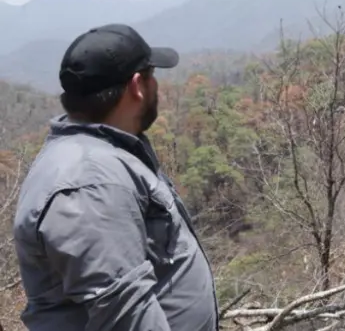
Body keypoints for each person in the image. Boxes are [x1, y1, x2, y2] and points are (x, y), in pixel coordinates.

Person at [12, 24, 218, 331]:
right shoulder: (89, 181)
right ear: (137, 85)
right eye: (152, 76)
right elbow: (124, 314)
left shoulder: (107, 154)